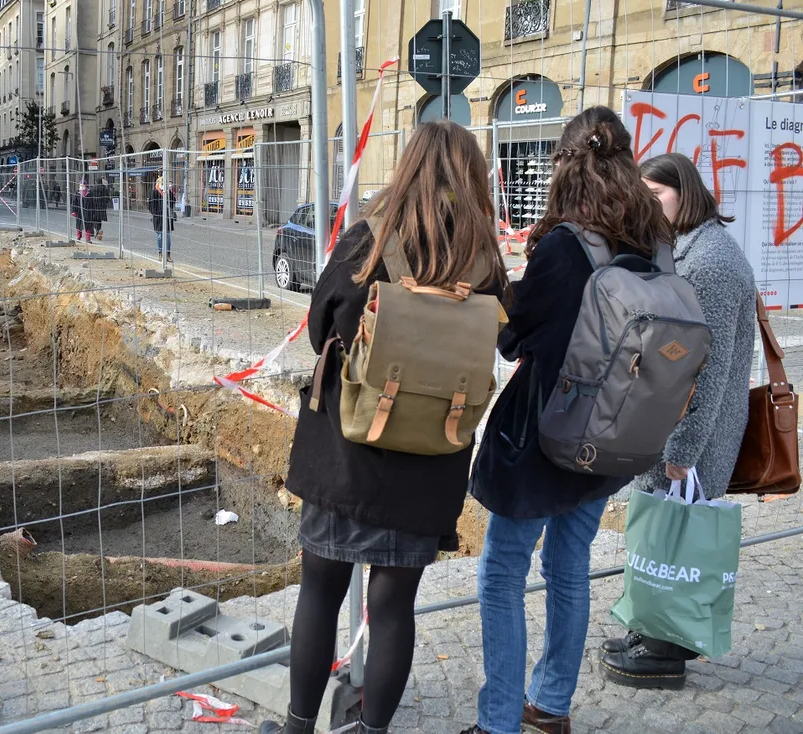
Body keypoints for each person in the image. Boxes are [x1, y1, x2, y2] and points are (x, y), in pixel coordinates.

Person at [259, 121, 509, 734]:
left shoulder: (366, 242)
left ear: (407, 169)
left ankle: (297, 728)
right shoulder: (483, 260)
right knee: (395, 607)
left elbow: (323, 328)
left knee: (319, 590)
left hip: (349, 450)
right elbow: (496, 339)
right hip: (432, 456)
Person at [461, 107, 674, 734]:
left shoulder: (563, 248)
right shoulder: (655, 243)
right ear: (627, 163)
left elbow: (513, 339)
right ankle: (550, 706)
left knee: (503, 571)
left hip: (546, 442)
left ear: (565, 165)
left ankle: (500, 720)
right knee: (569, 564)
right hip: (616, 437)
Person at [598, 152, 755, 690]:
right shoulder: (689, 248)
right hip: (676, 424)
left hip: (693, 432)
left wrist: (682, 451)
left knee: (675, 537)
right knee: (659, 534)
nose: (649, 207)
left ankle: (663, 650)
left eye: (656, 196)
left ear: (685, 192)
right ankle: (649, 629)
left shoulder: (709, 260)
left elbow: (707, 369)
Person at [148, 177, 176, 262]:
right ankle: (160, 253)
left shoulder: (168, 193)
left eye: (166, 183)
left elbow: (173, 202)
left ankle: (168, 254)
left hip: (167, 217)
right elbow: (151, 205)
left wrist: (169, 192)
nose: (165, 185)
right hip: (158, 218)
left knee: (167, 236)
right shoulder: (154, 192)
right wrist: (155, 214)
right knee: (160, 236)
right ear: (158, 183)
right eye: (163, 183)